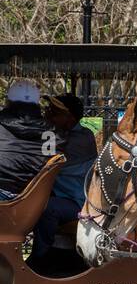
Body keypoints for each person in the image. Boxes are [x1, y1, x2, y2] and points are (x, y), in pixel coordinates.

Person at [30, 93, 98, 269]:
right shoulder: (56, 134)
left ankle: (40, 258)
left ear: (70, 117)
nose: (48, 114)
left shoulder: (82, 138)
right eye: (48, 110)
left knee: (46, 208)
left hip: (78, 204)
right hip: (62, 195)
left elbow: (44, 159)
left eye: (54, 111)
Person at [0, 79, 49, 201]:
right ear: (37, 104)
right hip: (30, 199)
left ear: (8, 102)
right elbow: (49, 162)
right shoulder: (51, 133)